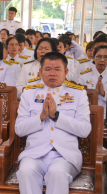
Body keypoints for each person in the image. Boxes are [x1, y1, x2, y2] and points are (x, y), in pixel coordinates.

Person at [16, 52, 91, 194]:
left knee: (57, 173)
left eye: (57, 69)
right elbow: (19, 129)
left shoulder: (78, 94)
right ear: (40, 71)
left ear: (66, 71)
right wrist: (42, 116)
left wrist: (56, 116)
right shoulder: (29, 93)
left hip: (65, 155)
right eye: (48, 69)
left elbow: (85, 129)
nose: (52, 73)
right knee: (26, 171)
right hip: (34, 154)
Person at [79, 45, 107, 117]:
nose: (102, 60)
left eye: (105, 57)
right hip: (88, 115)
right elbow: (79, 98)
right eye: (99, 56)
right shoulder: (84, 76)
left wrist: (103, 93)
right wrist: (94, 93)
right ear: (93, 58)